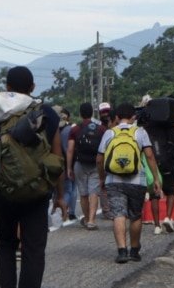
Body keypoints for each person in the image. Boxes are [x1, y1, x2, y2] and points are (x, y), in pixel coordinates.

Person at [0, 66, 67, 288]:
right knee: (33, 250)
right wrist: (61, 195)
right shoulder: (47, 114)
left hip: (3, 190)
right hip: (36, 191)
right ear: (32, 87)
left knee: (5, 244)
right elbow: (57, 158)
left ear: (6, 85)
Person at [97, 103, 162, 263]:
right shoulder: (140, 132)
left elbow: (99, 159)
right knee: (135, 216)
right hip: (136, 180)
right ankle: (134, 250)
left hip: (114, 180)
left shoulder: (110, 133)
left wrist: (102, 177)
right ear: (134, 117)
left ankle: (121, 251)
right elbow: (150, 156)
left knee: (118, 214)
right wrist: (155, 178)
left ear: (117, 117)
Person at [142, 112, 174, 235]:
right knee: (170, 192)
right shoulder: (170, 129)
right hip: (169, 165)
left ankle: (157, 225)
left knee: (154, 195)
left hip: (153, 165)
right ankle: (168, 218)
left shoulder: (146, 130)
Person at [66, 102, 105, 230]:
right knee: (94, 192)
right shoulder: (101, 129)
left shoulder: (75, 129)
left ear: (80, 114)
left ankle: (87, 218)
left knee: (83, 194)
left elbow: (70, 150)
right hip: (96, 163)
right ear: (92, 113)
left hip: (80, 164)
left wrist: (69, 168)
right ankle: (92, 221)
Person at [56, 106, 77, 220]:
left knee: (59, 190)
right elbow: (70, 149)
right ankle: (69, 211)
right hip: (69, 162)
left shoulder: (54, 129)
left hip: (56, 162)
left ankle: (63, 210)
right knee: (71, 188)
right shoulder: (70, 130)